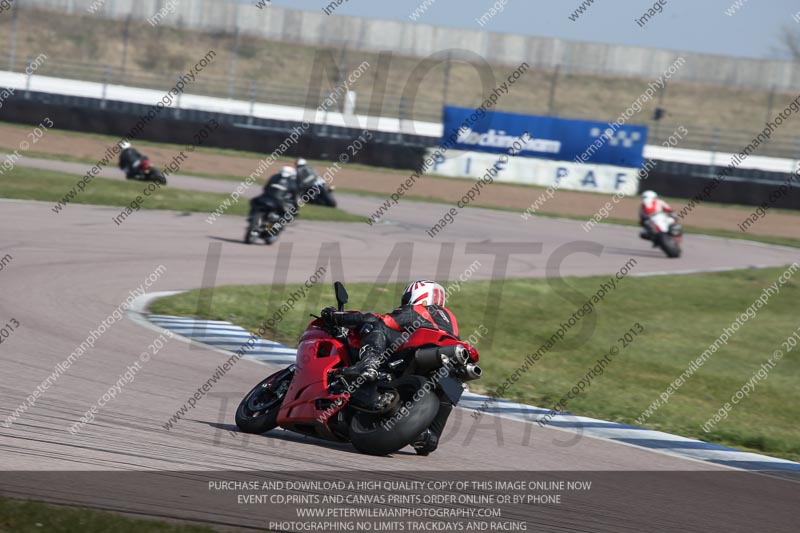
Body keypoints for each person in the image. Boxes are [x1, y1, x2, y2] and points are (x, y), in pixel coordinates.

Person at [321, 280, 458, 456]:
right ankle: (425, 436)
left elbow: (383, 320)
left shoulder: (422, 310)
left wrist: (335, 316)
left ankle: (369, 363)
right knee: (431, 441)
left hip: (423, 352)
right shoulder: (450, 322)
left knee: (376, 323)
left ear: (418, 295)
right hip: (449, 361)